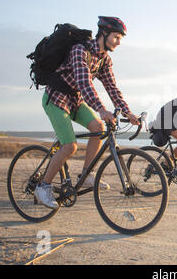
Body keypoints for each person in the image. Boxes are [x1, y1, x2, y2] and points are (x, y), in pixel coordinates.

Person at [35, 16, 140, 209]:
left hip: (75, 101)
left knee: (99, 128)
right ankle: (43, 186)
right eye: (116, 37)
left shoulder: (105, 60)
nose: (119, 42)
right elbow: (84, 83)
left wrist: (128, 113)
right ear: (104, 34)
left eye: (121, 38)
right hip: (56, 98)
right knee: (69, 146)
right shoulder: (80, 50)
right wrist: (101, 109)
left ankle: (86, 174)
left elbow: (112, 88)